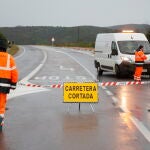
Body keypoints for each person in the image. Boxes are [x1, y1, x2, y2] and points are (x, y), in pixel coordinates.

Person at [0, 35, 18, 131]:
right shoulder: (9, 58)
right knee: (1, 107)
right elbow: (14, 72)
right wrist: (13, 84)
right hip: (3, 88)